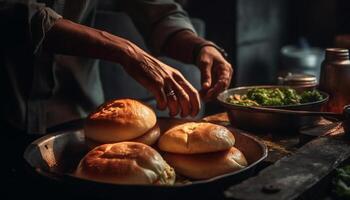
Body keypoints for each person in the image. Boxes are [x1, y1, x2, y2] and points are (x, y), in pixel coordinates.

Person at [0, 0, 232, 134]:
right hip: (9, 117)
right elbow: (15, 13)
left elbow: (157, 12)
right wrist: (126, 51)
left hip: (85, 121)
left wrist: (199, 48)